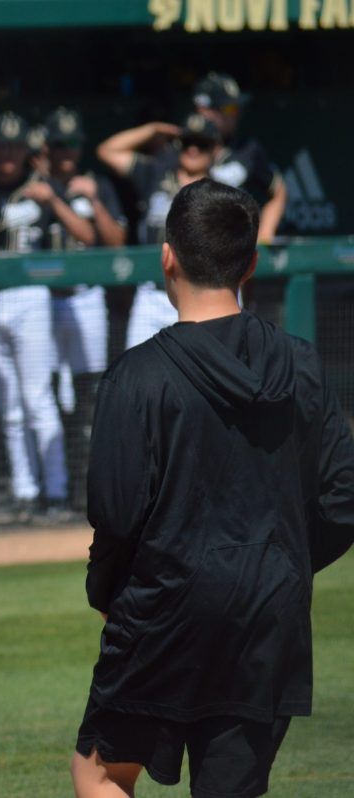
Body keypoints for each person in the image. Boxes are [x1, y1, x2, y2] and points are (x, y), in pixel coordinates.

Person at [71, 178, 354, 798]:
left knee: (99, 770)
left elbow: (114, 515)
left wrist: (105, 592)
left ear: (166, 256)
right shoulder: (302, 363)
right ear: (251, 264)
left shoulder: (137, 375)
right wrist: (286, 561)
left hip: (162, 608)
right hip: (270, 609)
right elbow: (343, 499)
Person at [0, 111, 91, 524]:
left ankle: (55, 491)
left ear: (27, 150)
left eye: (16, 146)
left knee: (38, 398)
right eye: (2, 145)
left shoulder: (44, 186)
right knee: (9, 406)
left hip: (31, 296)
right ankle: (25, 491)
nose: (8, 153)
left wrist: (54, 198)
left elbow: (88, 237)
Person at [42, 107, 127, 509]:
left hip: (87, 298)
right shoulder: (34, 187)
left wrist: (92, 198)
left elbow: (114, 242)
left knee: (90, 394)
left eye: (73, 144)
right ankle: (54, 488)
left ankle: (86, 488)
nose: (67, 152)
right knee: (47, 397)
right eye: (60, 144)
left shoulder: (93, 185)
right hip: (42, 302)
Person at [98, 112, 222, 349]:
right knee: (140, 372)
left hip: (203, 294)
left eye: (202, 143)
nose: (193, 150)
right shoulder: (155, 173)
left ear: (215, 149)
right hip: (153, 292)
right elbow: (107, 150)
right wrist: (153, 128)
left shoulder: (222, 190)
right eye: (187, 142)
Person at [192, 72, 287, 242]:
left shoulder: (247, 149)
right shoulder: (185, 148)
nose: (235, 114)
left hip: (234, 247)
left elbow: (278, 190)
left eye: (237, 108)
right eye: (229, 108)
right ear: (204, 111)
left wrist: (265, 234)